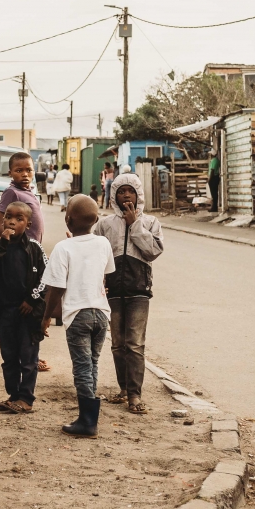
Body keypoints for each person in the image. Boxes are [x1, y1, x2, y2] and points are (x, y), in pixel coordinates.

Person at [41, 195, 115, 438]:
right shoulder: (103, 243)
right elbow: (105, 274)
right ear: (95, 219)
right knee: (92, 363)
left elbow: (56, 288)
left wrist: (46, 317)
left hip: (78, 313)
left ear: (68, 220)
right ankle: (89, 415)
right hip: (101, 314)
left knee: (82, 367)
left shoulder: (64, 248)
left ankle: (86, 421)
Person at [94, 174, 163, 415]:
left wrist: (135, 225)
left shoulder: (151, 222)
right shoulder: (104, 224)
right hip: (112, 291)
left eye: (130, 191)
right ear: (114, 195)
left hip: (138, 291)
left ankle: (135, 395)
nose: (126, 195)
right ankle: (123, 389)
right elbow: (95, 255)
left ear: (138, 195)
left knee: (134, 344)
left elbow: (153, 251)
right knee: (118, 344)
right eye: (121, 191)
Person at [0, 201, 47, 414]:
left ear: (27, 225)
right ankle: (13, 395)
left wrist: (32, 299)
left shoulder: (35, 247)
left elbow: (47, 277)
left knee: (28, 358)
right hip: (6, 311)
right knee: (9, 357)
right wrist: (2, 244)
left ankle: (26, 398)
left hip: (28, 313)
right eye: (8, 217)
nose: (11, 222)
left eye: (19, 219)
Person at [0, 152, 44, 243]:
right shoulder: (12, 192)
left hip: (33, 248)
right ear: (10, 173)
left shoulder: (30, 191)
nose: (25, 174)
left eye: (29, 170)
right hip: (23, 249)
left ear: (34, 171)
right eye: (19, 171)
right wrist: (15, 245)